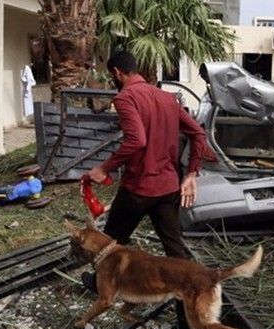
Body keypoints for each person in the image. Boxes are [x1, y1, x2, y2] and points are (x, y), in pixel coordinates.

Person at [81, 51, 206, 306]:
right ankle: (190, 310)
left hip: (138, 189)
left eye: (112, 76)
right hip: (168, 187)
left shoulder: (125, 98)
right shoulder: (167, 98)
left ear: (117, 73)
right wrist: (191, 173)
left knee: (111, 240)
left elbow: (137, 140)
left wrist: (104, 168)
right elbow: (198, 133)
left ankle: (100, 285)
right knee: (175, 250)